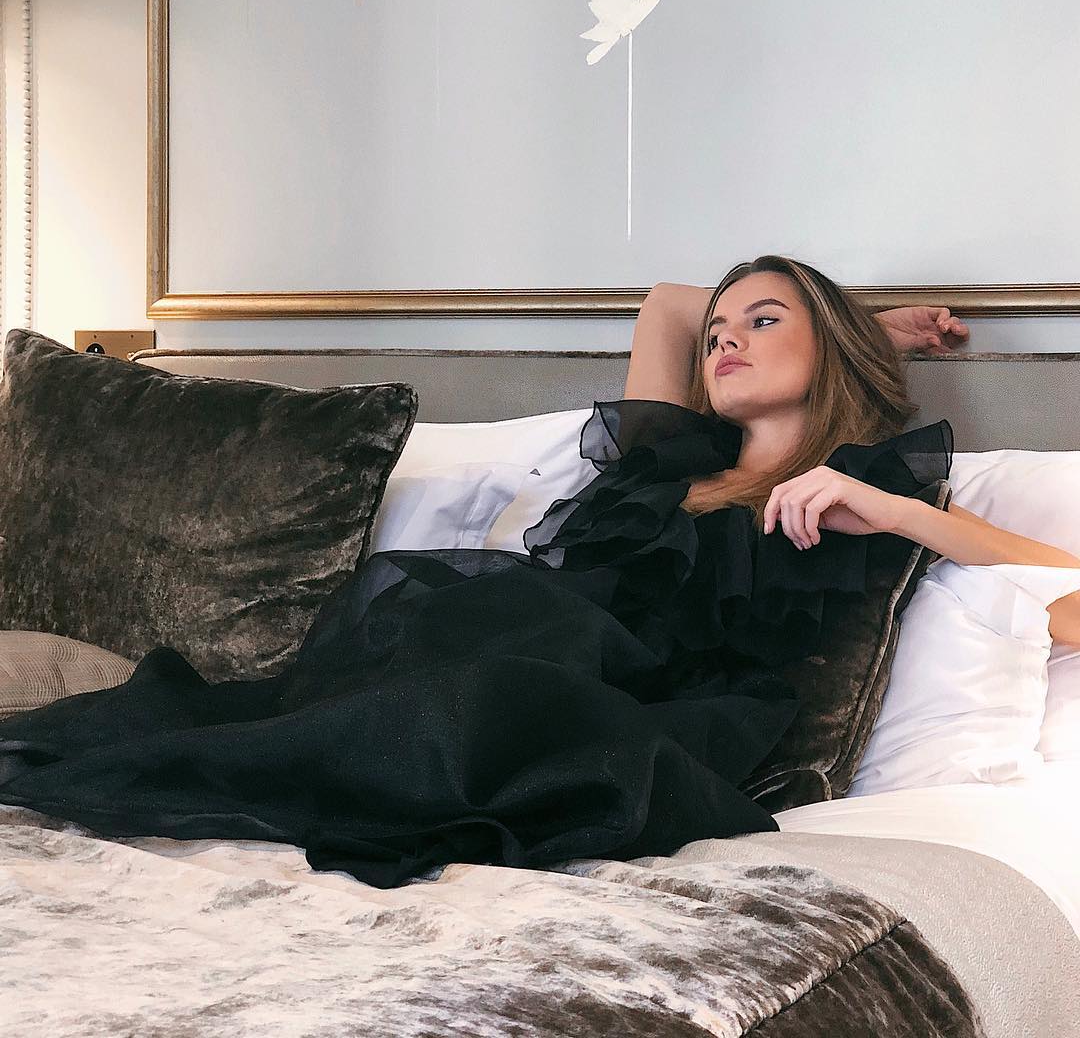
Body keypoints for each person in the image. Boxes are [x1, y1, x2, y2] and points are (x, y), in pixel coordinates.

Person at [1, 254, 1075, 890]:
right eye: (722, 332)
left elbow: (1068, 605)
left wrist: (894, 502)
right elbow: (667, 303)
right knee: (243, 721)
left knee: (458, 714)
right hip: (503, 644)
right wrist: (862, 329)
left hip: (622, 706)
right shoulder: (663, 460)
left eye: (763, 322)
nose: (723, 341)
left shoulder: (856, 495)